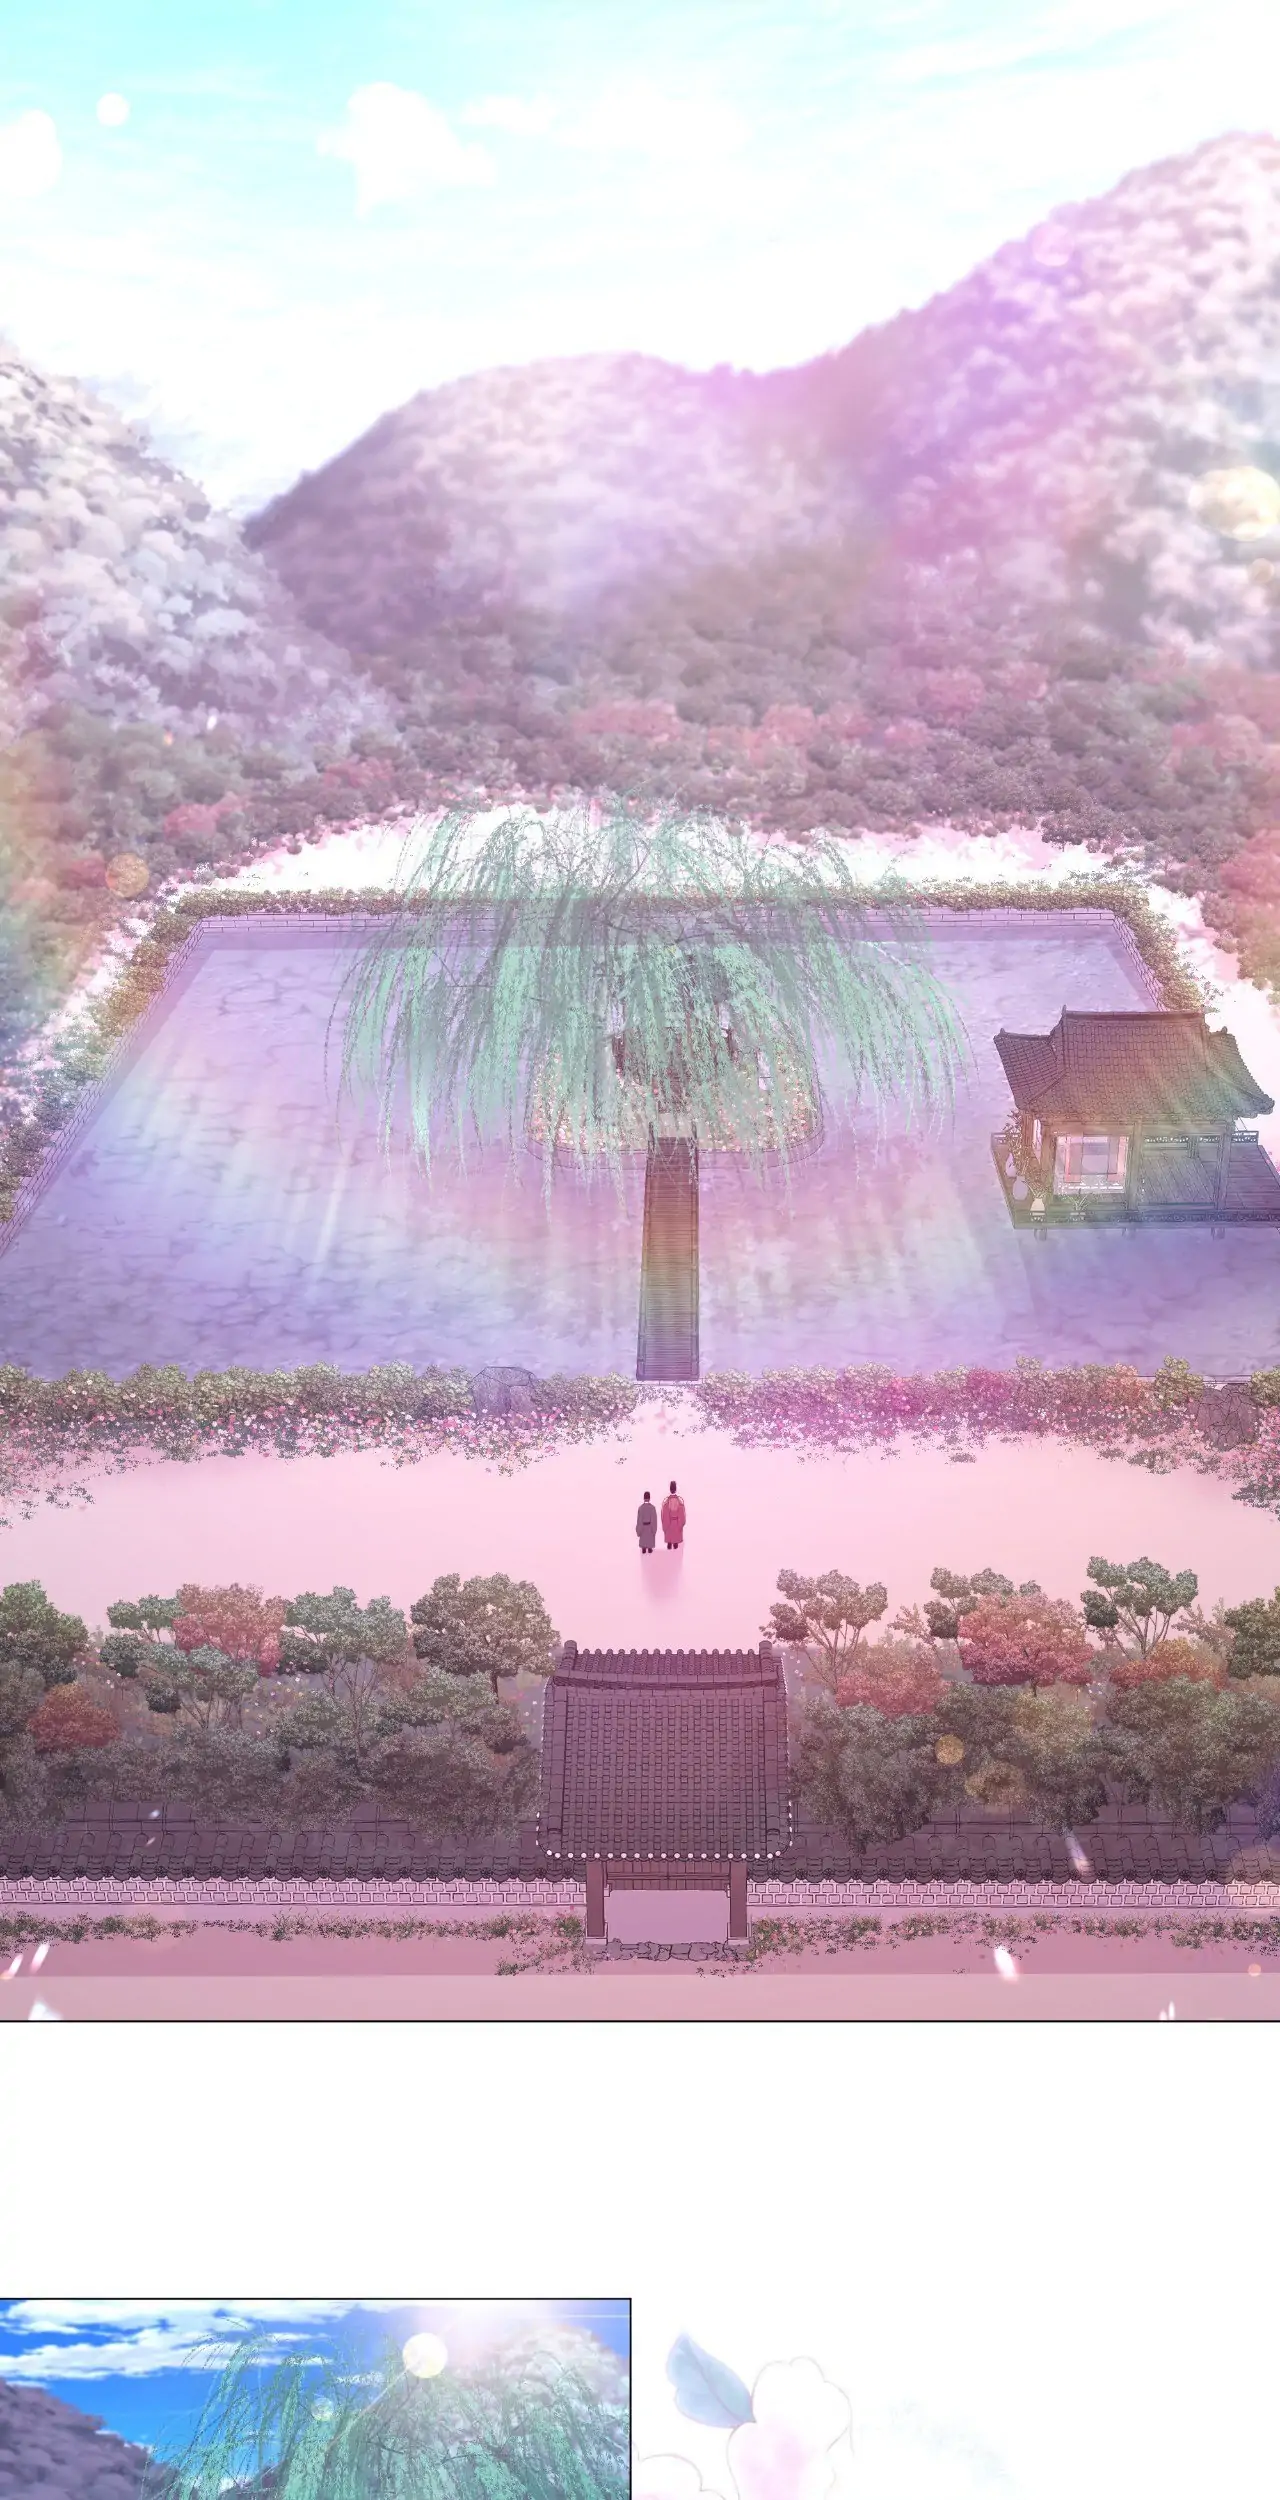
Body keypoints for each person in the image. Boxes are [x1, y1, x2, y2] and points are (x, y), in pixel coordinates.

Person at [661, 1479, 687, 1550]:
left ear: (670, 1489)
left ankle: (669, 1543)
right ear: (676, 1489)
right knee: (676, 1536)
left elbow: (664, 1516)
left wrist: (665, 1525)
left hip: (669, 1523)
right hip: (677, 1523)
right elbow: (682, 1515)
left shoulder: (666, 1502)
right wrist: (680, 1524)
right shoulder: (680, 1501)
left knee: (669, 1533)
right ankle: (675, 1543)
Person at [636, 1489, 658, 1554]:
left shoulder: (641, 1508)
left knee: (644, 1539)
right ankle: (649, 1548)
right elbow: (654, 1520)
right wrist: (654, 1530)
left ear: (644, 1498)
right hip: (650, 1528)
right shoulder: (652, 1508)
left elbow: (639, 1521)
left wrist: (638, 1531)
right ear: (649, 1498)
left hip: (643, 1528)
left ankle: (644, 1548)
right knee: (649, 1539)